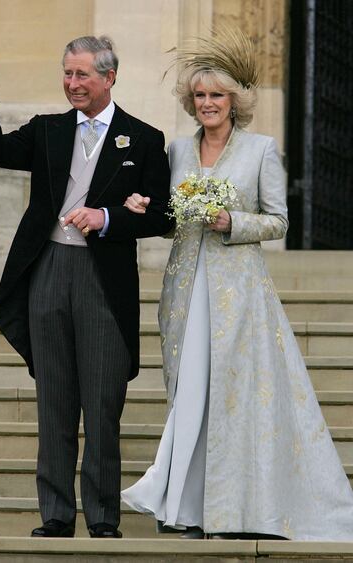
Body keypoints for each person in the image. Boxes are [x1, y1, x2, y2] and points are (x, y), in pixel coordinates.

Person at [121, 26, 353, 540]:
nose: (207, 103)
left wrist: (232, 222)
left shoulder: (261, 149)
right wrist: (143, 207)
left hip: (239, 295)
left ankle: (231, 509)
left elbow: (279, 220)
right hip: (185, 289)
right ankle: (184, 507)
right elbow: (169, 217)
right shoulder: (177, 152)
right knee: (190, 394)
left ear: (235, 101)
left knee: (231, 397)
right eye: (200, 95)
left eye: (217, 96)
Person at [0, 36, 173, 539]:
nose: (72, 83)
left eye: (82, 75)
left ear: (109, 77)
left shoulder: (144, 139)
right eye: (67, 73)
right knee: (54, 399)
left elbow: (163, 216)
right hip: (48, 269)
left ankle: (102, 517)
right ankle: (55, 514)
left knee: (102, 404)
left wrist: (108, 218)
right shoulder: (47, 130)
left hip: (103, 280)